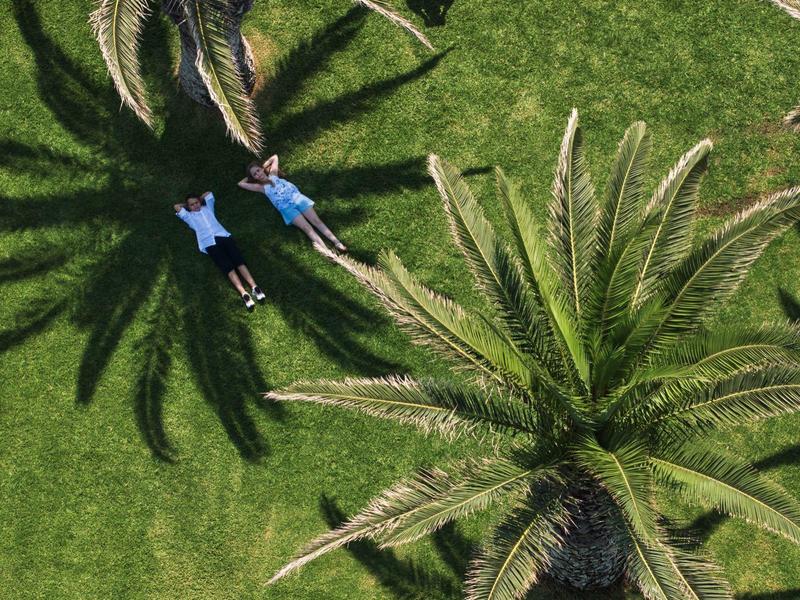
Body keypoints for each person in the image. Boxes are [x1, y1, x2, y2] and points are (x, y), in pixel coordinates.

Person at [174, 192, 266, 311]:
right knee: (228, 268)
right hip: (209, 243)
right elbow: (176, 207)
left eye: (196, 202)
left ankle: (255, 287)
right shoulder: (189, 217)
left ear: (200, 202)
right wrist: (186, 205)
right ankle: (244, 294)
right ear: (188, 207)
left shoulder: (208, 208)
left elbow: (209, 194)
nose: (195, 206)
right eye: (192, 205)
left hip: (223, 236)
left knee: (239, 262)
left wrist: (200, 200)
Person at [238, 154, 347, 252]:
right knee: (307, 229)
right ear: (254, 178)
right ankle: (328, 253)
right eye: (255, 174)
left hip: (297, 198)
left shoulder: (273, 174)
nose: (258, 174)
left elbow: (275, 157)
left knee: (316, 221)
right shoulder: (260, 187)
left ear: (262, 169)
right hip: (286, 208)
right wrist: (250, 177)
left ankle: (337, 242)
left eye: (258, 170)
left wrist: (264, 165)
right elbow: (240, 183)